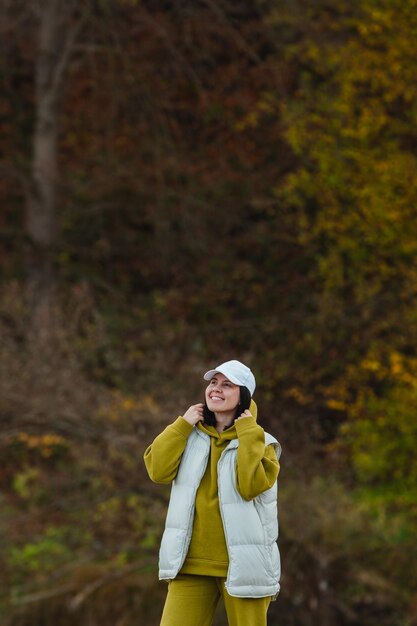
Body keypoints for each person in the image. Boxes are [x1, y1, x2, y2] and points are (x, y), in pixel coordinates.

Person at [143, 359, 281, 626]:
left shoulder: (262, 442)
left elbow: (250, 486)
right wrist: (182, 425)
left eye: (227, 384)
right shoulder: (189, 434)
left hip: (245, 568)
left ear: (244, 396)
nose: (216, 389)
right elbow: (157, 471)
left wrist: (249, 431)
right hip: (189, 564)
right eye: (213, 383)